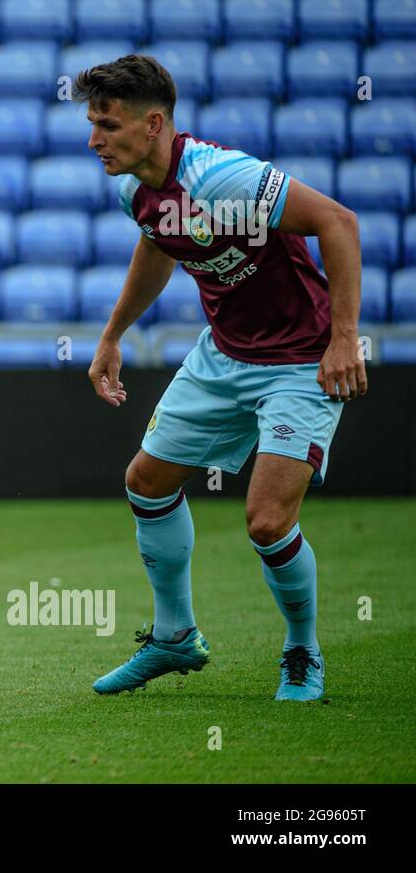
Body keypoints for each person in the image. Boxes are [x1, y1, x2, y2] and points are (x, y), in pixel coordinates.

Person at [78, 55, 366, 702]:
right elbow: (158, 244)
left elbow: (338, 223)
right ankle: (175, 639)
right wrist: (113, 333)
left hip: (298, 358)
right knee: (145, 482)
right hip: (224, 355)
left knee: (266, 522)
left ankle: (301, 651)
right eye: (92, 123)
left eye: (107, 125)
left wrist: (345, 339)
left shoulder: (223, 177)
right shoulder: (134, 189)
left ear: (153, 124)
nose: (93, 140)